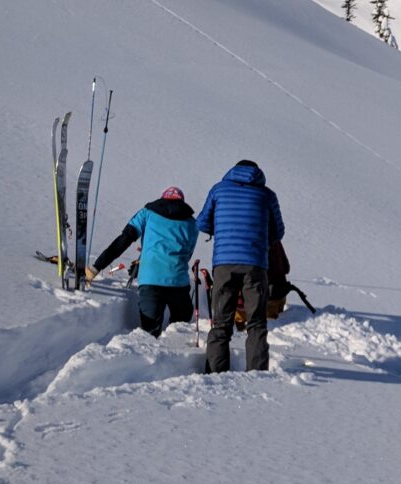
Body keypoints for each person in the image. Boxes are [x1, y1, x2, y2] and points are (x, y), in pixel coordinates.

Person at [196, 159, 285, 373]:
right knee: (256, 323)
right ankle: (257, 373)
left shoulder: (218, 190)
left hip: (224, 263)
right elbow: (278, 231)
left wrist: (223, 231)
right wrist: (261, 239)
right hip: (255, 264)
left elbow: (202, 223)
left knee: (221, 322)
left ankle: (216, 373)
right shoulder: (267, 195)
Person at [90, 187, 200, 336]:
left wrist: (97, 267)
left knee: (149, 333)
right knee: (179, 330)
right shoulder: (192, 223)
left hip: (150, 280)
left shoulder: (147, 213)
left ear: (162, 199)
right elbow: (188, 253)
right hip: (178, 283)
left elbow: (124, 239)